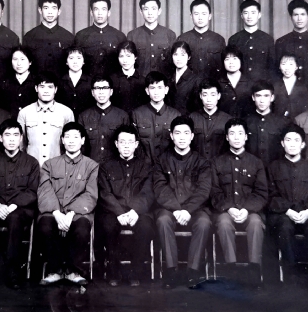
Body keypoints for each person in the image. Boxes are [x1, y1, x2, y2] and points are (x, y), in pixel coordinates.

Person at [0, 119, 40, 289]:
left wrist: (13, 205)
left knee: (15, 219)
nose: (11, 139)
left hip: (20, 209)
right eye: (7, 135)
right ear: (0, 138)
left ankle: (13, 270)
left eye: (15, 135)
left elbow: (32, 191)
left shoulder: (31, 162)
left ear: (21, 138)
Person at [153, 116, 213, 289]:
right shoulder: (161, 160)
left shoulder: (201, 162)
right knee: (163, 220)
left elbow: (203, 190)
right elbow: (160, 188)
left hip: (195, 209)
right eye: (177, 133)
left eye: (186, 133)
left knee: (204, 223)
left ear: (192, 136)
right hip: (169, 209)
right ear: (171, 136)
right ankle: (171, 271)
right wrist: (177, 209)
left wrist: (187, 210)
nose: (182, 137)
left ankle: (193, 272)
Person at [38, 122, 99, 286]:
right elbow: (45, 191)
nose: (71, 141)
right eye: (68, 137)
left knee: (81, 229)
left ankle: (74, 271)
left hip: (79, 213)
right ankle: (55, 271)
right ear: (62, 140)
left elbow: (91, 194)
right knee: (45, 226)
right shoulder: (49, 165)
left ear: (82, 140)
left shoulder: (92, 166)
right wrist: (57, 213)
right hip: (53, 211)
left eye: (76, 137)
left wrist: (71, 213)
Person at [211, 118, 268, 287]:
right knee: (223, 223)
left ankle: (254, 270)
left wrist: (246, 209)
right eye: (232, 133)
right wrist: (228, 208)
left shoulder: (256, 163)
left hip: (249, 212)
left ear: (246, 137)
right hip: (226, 211)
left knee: (256, 223)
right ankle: (231, 269)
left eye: (240, 133)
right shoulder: (217, 162)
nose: (236, 137)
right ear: (227, 137)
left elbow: (261, 193)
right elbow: (214, 191)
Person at [96, 125, 154, 287]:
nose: (126, 146)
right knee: (107, 226)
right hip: (113, 211)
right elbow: (105, 193)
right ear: (116, 144)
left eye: (130, 142)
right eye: (122, 142)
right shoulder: (106, 167)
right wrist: (119, 212)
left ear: (136, 144)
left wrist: (135, 211)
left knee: (146, 227)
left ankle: (135, 272)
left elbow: (148, 192)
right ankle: (113, 272)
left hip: (139, 212)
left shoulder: (147, 166)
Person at [266, 124, 308, 283]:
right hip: (283, 214)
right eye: (288, 140)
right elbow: (270, 195)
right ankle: (290, 273)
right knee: (284, 227)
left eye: (296, 140)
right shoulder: (273, 167)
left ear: (303, 144)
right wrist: (287, 210)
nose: (292, 144)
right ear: (282, 143)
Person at [17, 71, 74, 165]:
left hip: (58, 167)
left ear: (55, 89)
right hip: (31, 167)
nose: (46, 91)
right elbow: (21, 144)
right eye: (42, 87)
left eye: (50, 87)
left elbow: (71, 144)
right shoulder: (24, 112)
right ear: (36, 88)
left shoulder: (67, 112)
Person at [131, 71, 180, 164]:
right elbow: (134, 144)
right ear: (147, 91)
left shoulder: (175, 115)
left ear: (166, 90)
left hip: (168, 165)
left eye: (160, 87)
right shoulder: (137, 114)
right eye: (152, 88)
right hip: (144, 166)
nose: (156, 92)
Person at [78, 75, 130, 164]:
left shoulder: (122, 116)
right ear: (92, 92)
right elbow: (80, 147)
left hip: (115, 168)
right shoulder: (83, 116)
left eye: (105, 88)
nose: (101, 92)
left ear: (111, 92)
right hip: (90, 167)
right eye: (97, 88)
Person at [274, 0, 308, 83]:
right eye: (296, 15)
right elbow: (276, 71)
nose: (299, 18)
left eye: (303, 14)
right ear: (291, 17)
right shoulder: (281, 42)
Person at [22, 0, 74, 77]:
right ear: (40, 10)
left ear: (59, 11)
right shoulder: (29, 36)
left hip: (62, 84)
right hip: (36, 83)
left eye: (54, 8)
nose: (50, 12)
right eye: (46, 8)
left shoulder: (69, 37)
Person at [74, 0, 126, 76]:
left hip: (113, 82)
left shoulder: (119, 36)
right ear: (91, 13)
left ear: (109, 13)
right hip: (88, 82)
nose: (100, 13)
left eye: (103, 9)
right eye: (96, 9)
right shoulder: (81, 36)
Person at [126, 0, 176, 77]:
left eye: (153, 8)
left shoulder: (170, 34)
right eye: (146, 9)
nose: (150, 13)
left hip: (163, 82)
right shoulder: (132, 35)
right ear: (141, 12)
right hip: (139, 82)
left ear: (159, 11)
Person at [176, 0, 226, 80]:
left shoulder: (219, 39)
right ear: (191, 16)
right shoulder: (183, 38)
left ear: (210, 16)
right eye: (196, 14)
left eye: (204, 14)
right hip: (188, 85)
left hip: (212, 85)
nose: (200, 18)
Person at [228, 0, 274, 81]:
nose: (249, 16)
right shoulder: (234, 39)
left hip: (261, 85)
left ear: (259, 15)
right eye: (246, 13)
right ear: (241, 15)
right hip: (239, 84)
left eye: (253, 12)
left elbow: (272, 67)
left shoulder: (268, 39)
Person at [244, 80, 287, 167]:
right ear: (253, 97)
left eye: (266, 96)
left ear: (272, 97)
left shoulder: (283, 123)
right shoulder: (245, 122)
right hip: (251, 169)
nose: (262, 100)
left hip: (275, 170)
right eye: (258, 96)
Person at [188, 79, 232, 161]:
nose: (209, 99)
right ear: (200, 96)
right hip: (196, 165)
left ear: (219, 96)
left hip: (220, 165)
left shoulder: (227, 119)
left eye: (213, 95)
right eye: (205, 95)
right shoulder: (192, 118)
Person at [0, 45, 38, 118]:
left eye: (22, 59)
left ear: (30, 62)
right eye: (15, 59)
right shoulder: (4, 82)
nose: (19, 63)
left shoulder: (37, 81)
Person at [110, 40, 147, 114]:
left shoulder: (143, 81)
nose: (125, 60)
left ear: (135, 57)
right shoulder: (112, 79)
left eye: (128, 56)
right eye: (121, 56)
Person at [57, 45, 94, 118]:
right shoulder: (59, 81)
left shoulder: (91, 81)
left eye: (79, 58)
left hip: (86, 119)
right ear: (66, 62)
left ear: (83, 61)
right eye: (71, 58)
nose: (75, 62)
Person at [167, 41, 202, 115]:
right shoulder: (168, 78)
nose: (179, 59)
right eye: (175, 54)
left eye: (182, 55)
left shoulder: (196, 80)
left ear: (189, 57)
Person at [217, 45, 253, 118]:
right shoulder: (218, 83)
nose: (231, 62)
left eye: (235, 58)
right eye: (227, 59)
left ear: (241, 61)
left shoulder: (251, 83)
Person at [272, 53, 308, 119]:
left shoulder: (304, 86)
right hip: (278, 121)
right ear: (279, 66)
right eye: (283, 64)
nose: (287, 68)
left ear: (296, 67)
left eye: (291, 64)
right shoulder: (274, 85)